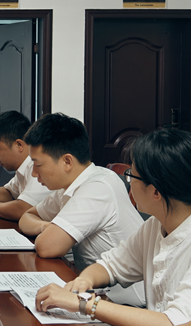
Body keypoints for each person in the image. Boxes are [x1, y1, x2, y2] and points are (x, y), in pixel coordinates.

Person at [36, 129, 191, 326]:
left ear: (155, 192)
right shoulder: (157, 224)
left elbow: (174, 322)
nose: (128, 182)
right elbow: (112, 265)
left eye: (132, 175)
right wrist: (85, 280)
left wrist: (85, 304)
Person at [18, 113, 145, 304]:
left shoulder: (98, 187)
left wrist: (50, 232)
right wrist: (46, 227)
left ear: (67, 162)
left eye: (38, 164)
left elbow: (47, 247)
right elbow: (26, 217)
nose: (34, 173)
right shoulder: (70, 186)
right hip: (92, 287)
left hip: (128, 301)